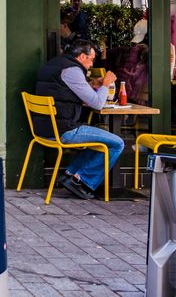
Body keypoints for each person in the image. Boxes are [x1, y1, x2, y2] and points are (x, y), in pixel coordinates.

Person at [34, 38, 124, 200]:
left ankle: (70, 174)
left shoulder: (54, 64)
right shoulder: (72, 70)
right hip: (63, 130)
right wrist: (105, 84)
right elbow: (97, 103)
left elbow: (63, 92)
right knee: (117, 143)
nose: (91, 64)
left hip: (45, 127)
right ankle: (82, 181)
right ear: (82, 56)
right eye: (91, 59)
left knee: (100, 137)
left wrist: (91, 84)